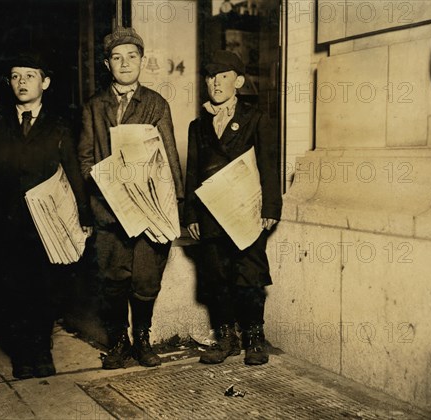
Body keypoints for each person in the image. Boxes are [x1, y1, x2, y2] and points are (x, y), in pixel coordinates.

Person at [0, 52, 93, 379]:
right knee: (11, 288)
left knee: (45, 288)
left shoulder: (59, 126)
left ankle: (41, 350)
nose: (22, 82)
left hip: (47, 225)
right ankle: (21, 353)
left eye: (29, 75)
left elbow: (71, 171)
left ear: (45, 82)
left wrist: (84, 215)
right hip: (8, 223)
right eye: (15, 75)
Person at [78, 27, 184, 369]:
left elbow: (168, 158)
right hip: (109, 212)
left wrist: (173, 207)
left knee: (145, 280)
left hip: (149, 213)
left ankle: (142, 339)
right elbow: (84, 157)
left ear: (142, 61)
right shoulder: (95, 106)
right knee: (113, 280)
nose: (125, 64)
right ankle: (119, 341)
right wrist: (101, 185)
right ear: (107, 64)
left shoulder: (155, 103)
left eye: (132, 56)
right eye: (117, 57)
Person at [183, 50, 282, 365]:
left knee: (248, 273)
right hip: (211, 213)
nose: (215, 83)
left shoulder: (256, 119)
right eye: (211, 76)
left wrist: (270, 207)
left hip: (246, 212)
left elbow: (268, 166)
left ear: (238, 81)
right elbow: (192, 175)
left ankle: (254, 337)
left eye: (224, 76)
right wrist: (191, 214)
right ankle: (226, 337)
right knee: (216, 275)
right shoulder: (197, 126)